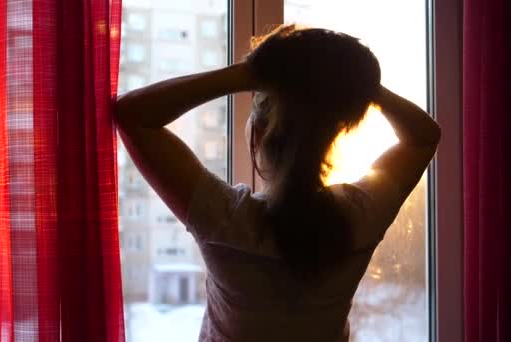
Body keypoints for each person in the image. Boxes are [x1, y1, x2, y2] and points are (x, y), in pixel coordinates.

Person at [115, 24, 441, 342]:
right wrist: (362, 85)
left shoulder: (224, 219)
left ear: (258, 135)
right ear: (332, 138)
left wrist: (247, 73)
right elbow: (424, 138)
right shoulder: (360, 216)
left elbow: (134, 114)